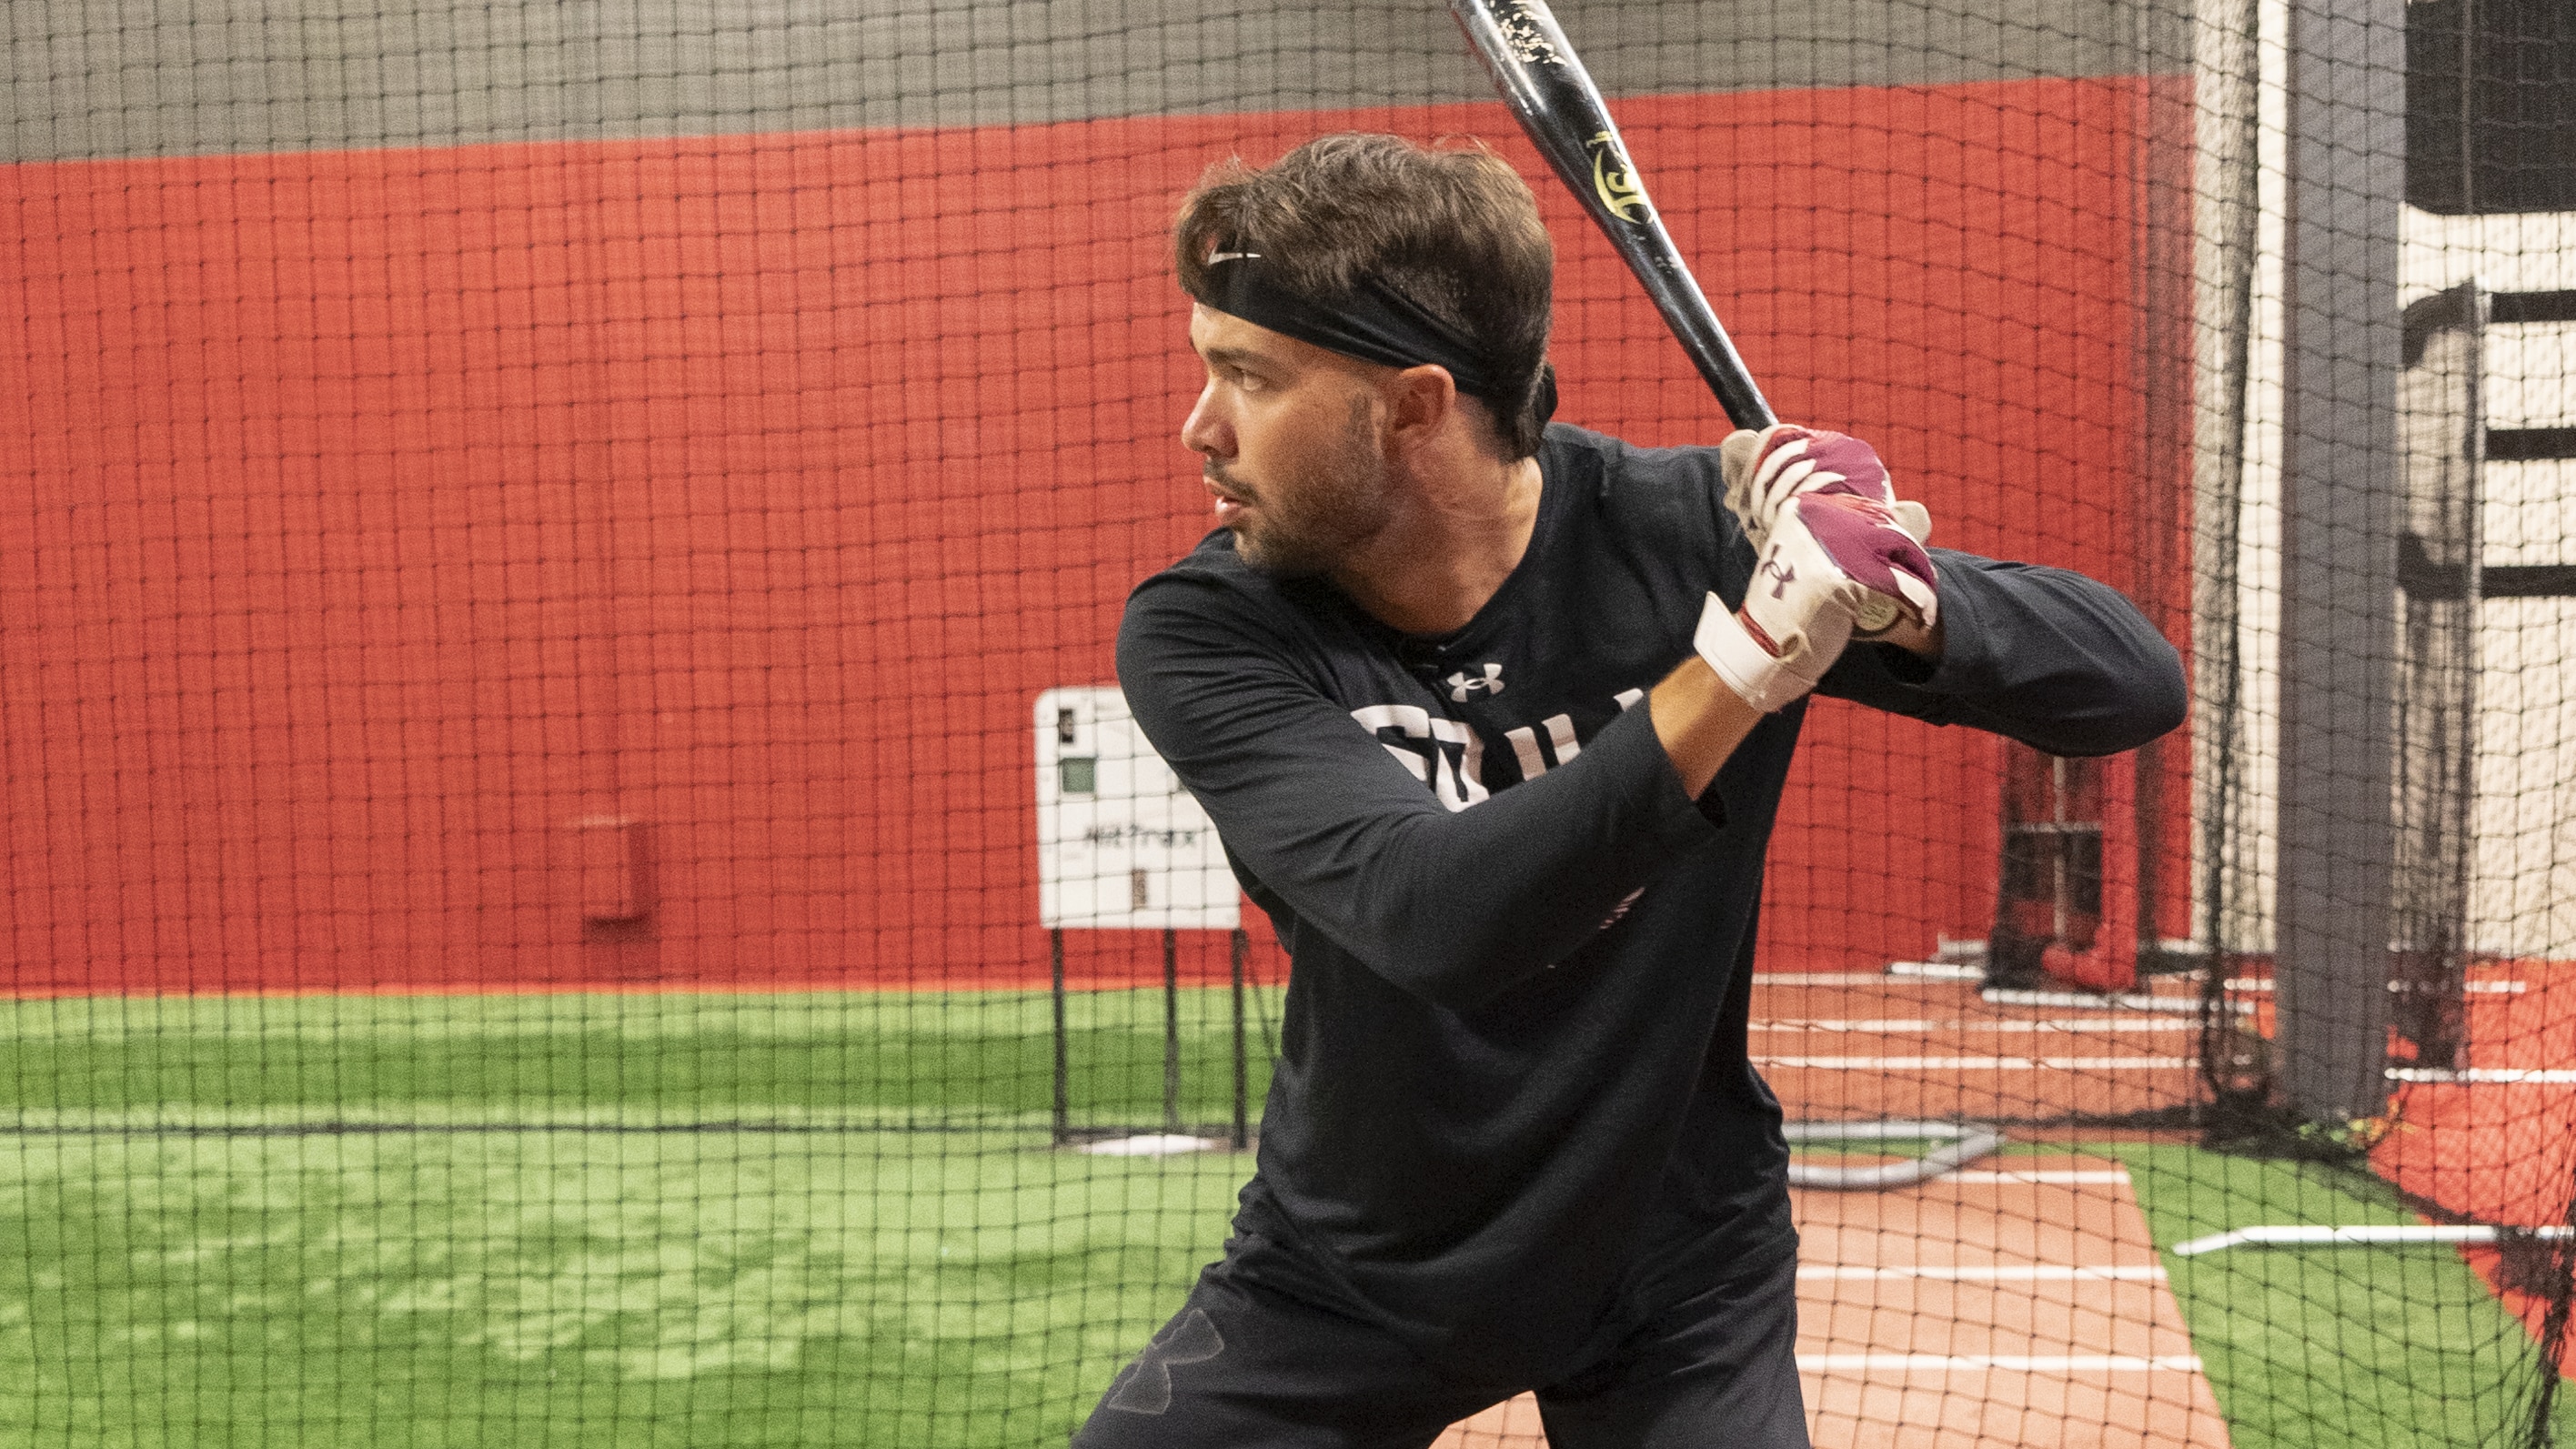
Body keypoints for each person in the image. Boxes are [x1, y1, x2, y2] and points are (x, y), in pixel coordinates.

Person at [1074, 134, 2184, 1448]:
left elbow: (2130, 680)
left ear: (1415, 406)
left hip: (1674, 1265)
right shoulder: (1213, 630)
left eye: (1246, 376)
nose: (1197, 426)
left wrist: (1894, 593)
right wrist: (1747, 659)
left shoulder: (1684, 537)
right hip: (1364, 1269)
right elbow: (1438, 916)